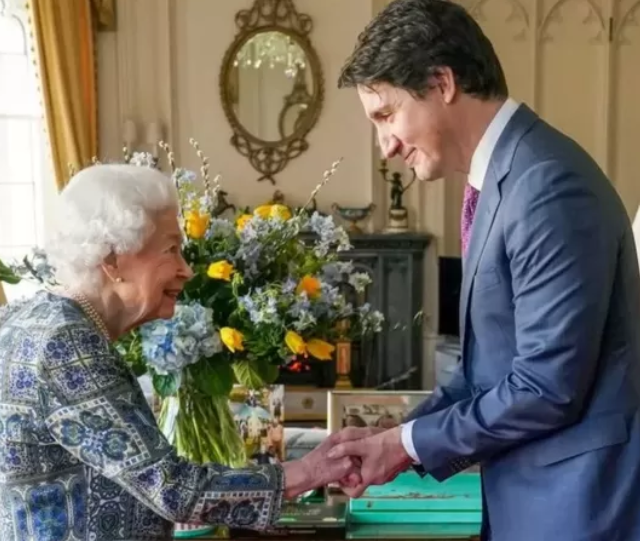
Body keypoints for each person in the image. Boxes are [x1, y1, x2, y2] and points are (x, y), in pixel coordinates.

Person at [328, 1, 640, 540]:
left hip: (577, 508)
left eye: (386, 116)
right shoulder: (504, 176)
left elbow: (546, 388)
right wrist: (394, 438)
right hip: (535, 499)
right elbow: (486, 375)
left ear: (441, 82)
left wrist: (403, 446)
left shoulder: (546, 184)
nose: (386, 146)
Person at [0, 164, 358, 541]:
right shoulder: (67, 343)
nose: (186, 270)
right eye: (171, 249)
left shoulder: (23, 318)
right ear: (112, 260)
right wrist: (309, 471)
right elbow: (172, 488)